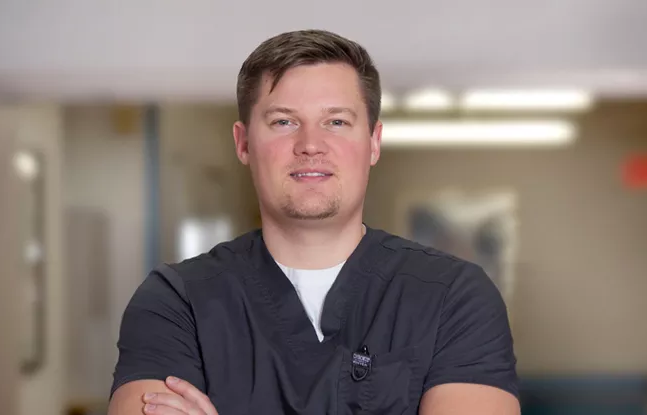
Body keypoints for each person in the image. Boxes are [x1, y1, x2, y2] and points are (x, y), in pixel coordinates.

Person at [107, 29, 520, 415]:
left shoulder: (454, 298)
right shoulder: (176, 303)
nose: (310, 145)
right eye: (283, 122)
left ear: (373, 142)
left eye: (336, 122)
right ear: (244, 142)